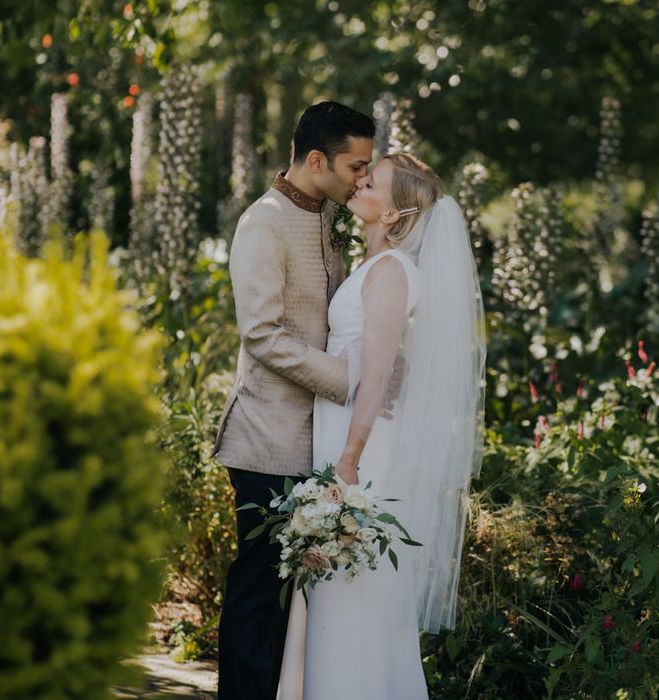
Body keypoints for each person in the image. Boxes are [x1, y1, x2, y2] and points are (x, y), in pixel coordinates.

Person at [277, 153, 487, 700]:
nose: (360, 182)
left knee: (352, 583)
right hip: (343, 428)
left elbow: (374, 379)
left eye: (374, 182)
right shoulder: (376, 266)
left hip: (359, 442)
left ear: (393, 215)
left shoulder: (393, 272)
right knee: (337, 582)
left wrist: (349, 460)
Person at [212, 101, 375, 700]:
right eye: (355, 166)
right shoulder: (264, 223)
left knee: (299, 601)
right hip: (265, 438)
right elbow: (261, 333)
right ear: (316, 159)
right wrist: (349, 379)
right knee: (259, 593)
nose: (363, 178)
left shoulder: (330, 216)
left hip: (319, 440)